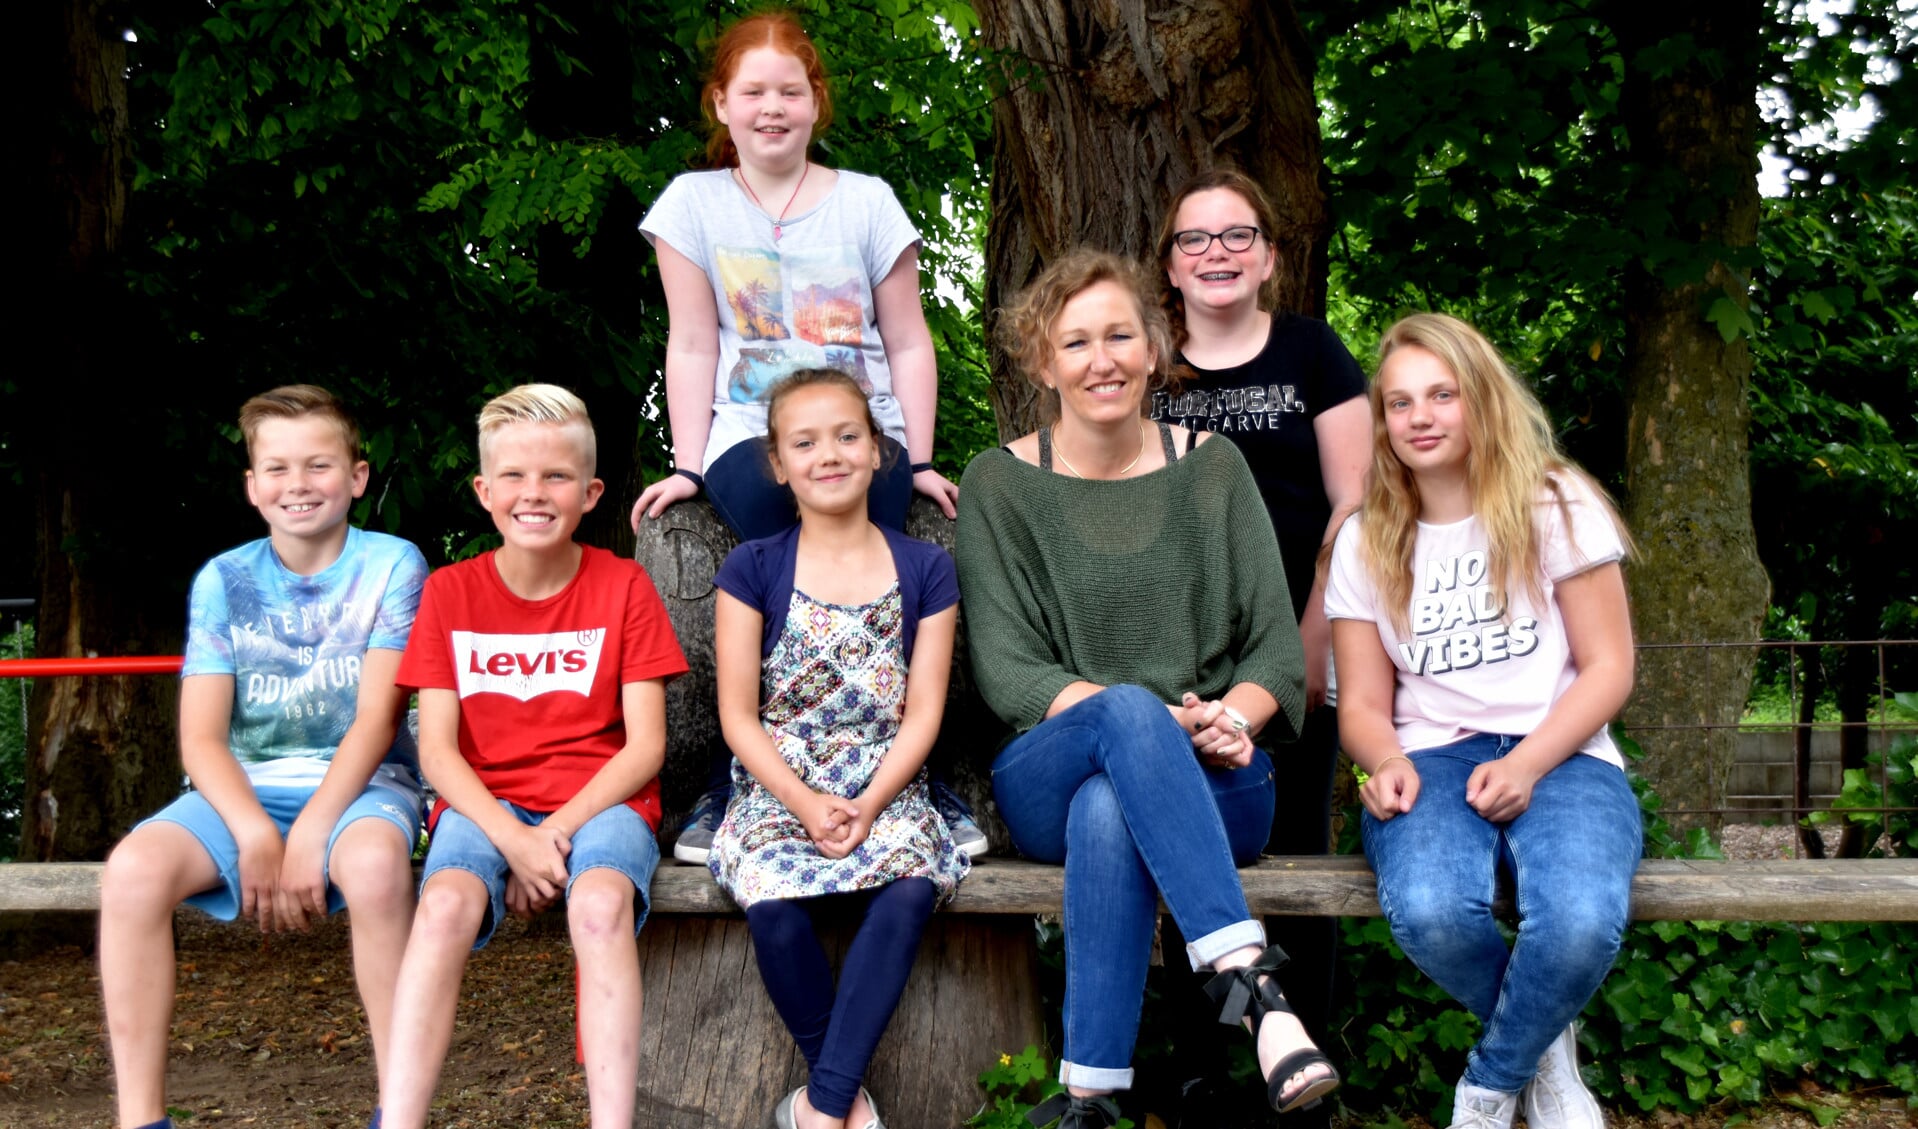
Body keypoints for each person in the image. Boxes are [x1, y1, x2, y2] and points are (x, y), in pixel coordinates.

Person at [955, 250, 1340, 1129]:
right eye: (1077, 341)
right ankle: (1257, 992)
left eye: (1121, 334)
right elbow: (1010, 672)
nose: (1103, 359)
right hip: (1049, 766)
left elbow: (1277, 651)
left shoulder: (1215, 468)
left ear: (1156, 346)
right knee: (1120, 720)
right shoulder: (998, 484)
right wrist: (1153, 720)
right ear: (1042, 362)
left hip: (1218, 780)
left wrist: (1233, 721)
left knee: (1109, 806)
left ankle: (1090, 1097)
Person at [628, 10, 983, 862]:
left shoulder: (867, 202)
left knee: (888, 559)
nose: (772, 108)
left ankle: (914, 779)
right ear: (721, 104)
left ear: (816, 102)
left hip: (863, 428)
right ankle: (737, 780)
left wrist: (922, 458)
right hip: (749, 430)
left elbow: (905, 339)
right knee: (779, 558)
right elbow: (694, 340)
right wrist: (685, 464)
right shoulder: (692, 205)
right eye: (752, 92)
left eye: (790, 90)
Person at [1323, 313, 1638, 1129]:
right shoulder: (1365, 537)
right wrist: (1382, 758)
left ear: (1482, 400)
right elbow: (1360, 704)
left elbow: (1610, 667)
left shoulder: (1554, 501)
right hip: (1431, 753)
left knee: (1577, 922)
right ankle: (1548, 1041)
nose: (1420, 416)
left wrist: (1530, 762)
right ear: (1383, 423)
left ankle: (1490, 1086)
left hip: (1565, 749)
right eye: (1399, 403)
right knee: (1426, 909)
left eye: (1442, 394)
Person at [98, 385, 428, 1129]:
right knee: (130, 874)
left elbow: (378, 718)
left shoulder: (393, 563)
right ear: (252, 487)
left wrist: (310, 829)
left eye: (318, 464)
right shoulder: (224, 578)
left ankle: (398, 1111)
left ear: (357, 476)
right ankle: (140, 1118)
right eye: (276, 468)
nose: (297, 484)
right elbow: (202, 738)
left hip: (362, 785)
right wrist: (253, 831)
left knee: (377, 871)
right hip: (239, 788)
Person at [375, 385, 688, 1129]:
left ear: (591, 492)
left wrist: (553, 833)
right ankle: (398, 1117)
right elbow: (437, 750)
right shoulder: (451, 593)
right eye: (513, 476)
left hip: (603, 800)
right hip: (485, 804)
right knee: (444, 903)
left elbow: (646, 745)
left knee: (600, 904)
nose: (534, 493)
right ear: (484, 491)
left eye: (554, 476)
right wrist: (515, 838)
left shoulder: (624, 585)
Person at [1151, 169, 1369, 1127]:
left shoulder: (1314, 353)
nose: (1217, 253)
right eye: (1195, 239)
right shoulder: (1152, 367)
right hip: (1184, 659)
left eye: (1237, 235)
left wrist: (1313, 640)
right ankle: (1201, 1066)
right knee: (1187, 849)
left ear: (1271, 255)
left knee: (1301, 855)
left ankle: (1307, 1068)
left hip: (1305, 637)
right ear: (1171, 265)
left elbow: (1355, 511)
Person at [707, 369, 971, 1129]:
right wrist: (801, 800)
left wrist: (870, 802)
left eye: (848, 435)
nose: (830, 453)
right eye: (806, 441)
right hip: (777, 783)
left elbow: (923, 714)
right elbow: (737, 715)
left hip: (887, 779)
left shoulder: (926, 567)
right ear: (778, 462)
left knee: (913, 881)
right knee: (771, 901)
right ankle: (845, 1100)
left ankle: (820, 1109)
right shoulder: (753, 567)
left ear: (879, 450)